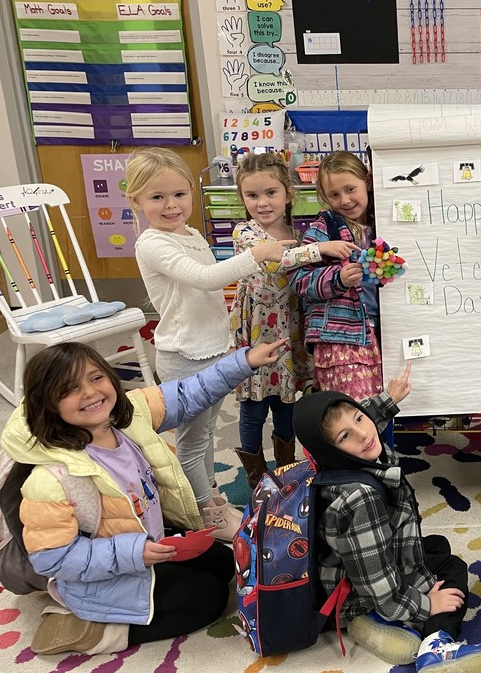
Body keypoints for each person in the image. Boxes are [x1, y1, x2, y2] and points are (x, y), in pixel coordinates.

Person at [0, 338, 289, 656]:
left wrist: (244, 361)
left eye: (96, 378)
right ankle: (96, 628)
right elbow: (51, 559)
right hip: (102, 575)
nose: (90, 393)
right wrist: (132, 553)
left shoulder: (128, 415)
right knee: (208, 601)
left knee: (224, 563)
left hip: (143, 540)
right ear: (48, 403)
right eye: (69, 389)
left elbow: (188, 393)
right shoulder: (51, 479)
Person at [291, 364, 481, 673]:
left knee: (437, 544)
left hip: (355, 569)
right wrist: (427, 604)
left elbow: (357, 421)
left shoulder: (342, 459)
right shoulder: (358, 499)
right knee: (452, 566)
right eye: (346, 436)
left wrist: (388, 399)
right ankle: (436, 644)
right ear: (331, 449)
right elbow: (379, 586)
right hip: (356, 593)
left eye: (360, 418)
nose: (365, 434)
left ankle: (374, 624)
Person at [126, 148, 294, 539]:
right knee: (191, 440)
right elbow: (206, 278)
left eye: (179, 194)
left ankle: (210, 497)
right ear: (136, 201)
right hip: (184, 355)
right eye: (157, 197)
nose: (171, 205)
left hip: (215, 348)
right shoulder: (151, 244)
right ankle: (205, 511)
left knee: (205, 435)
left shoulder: (191, 234)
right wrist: (257, 254)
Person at [229, 152, 351, 486]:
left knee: (286, 400)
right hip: (257, 330)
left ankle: (285, 466)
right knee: (254, 404)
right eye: (252, 196)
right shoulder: (245, 232)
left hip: (289, 326)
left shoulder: (299, 231)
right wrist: (322, 250)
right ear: (242, 198)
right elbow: (276, 261)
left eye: (271, 193)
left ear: (288, 194)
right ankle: (255, 475)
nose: (263, 203)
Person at [290, 151, 388, 428]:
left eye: (350, 189)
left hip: (381, 333)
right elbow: (298, 279)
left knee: (381, 409)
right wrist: (338, 278)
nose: (344, 200)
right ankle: (352, 468)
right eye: (334, 195)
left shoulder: (384, 220)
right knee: (353, 414)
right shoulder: (325, 229)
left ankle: (377, 464)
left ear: (366, 181)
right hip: (340, 339)